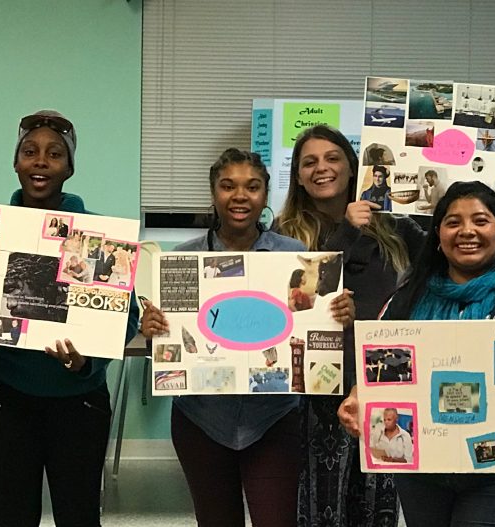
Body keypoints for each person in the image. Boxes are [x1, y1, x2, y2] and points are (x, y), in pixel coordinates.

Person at [274, 124, 495, 527]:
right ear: (297, 175)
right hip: (318, 386)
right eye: (309, 162)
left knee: (377, 500)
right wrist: (348, 230)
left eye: (332, 158)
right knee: (322, 505)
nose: (322, 168)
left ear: (353, 167)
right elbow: (298, 298)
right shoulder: (285, 234)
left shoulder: (393, 226)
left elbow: (453, 253)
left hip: (386, 380)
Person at [338, 181, 495, 527]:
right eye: (453, 222)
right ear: (438, 236)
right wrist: (356, 397)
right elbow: (375, 369)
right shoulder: (406, 299)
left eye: (481, 221)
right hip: (423, 470)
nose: (467, 231)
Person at [139, 148, 355, 527]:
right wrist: (154, 328)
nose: (240, 196)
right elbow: (171, 343)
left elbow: (311, 325)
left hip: (273, 418)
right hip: (201, 419)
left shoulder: (294, 255)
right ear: (213, 192)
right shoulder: (183, 258)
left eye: (252, 187)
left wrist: (337, 314)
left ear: (265, 194)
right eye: (228, 186)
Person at [0, 110, 140, 526]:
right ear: (16, 162)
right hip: (4, 395)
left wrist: (89, 360)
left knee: (78, 516)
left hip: (80, 401)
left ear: (69, 167)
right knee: (11, 516)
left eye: (54, 154)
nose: (40, 161)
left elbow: (124, 319)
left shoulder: (98, 237)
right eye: (30, 151)